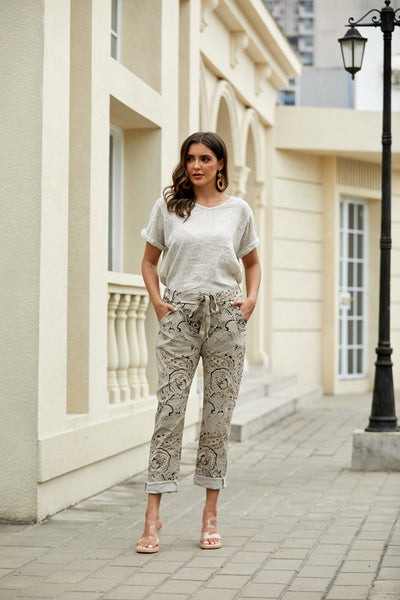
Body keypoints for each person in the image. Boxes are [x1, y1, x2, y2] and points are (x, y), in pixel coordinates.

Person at [136, 131, 261, 553]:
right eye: (190, 158)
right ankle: (152, 517)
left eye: (205, 158)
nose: (196, 166)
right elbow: (149, 262)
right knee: (169, 413)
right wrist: (158, 303)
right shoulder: (169, 207)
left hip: (226, 316)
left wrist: (250, 300)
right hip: (180, 317)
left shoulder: (238, 210)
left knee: (217, 418)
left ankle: (210, 515)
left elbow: (253, 263)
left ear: (220, 163)